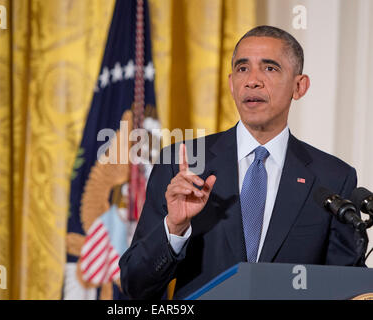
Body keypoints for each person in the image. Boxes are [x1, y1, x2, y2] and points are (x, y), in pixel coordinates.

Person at [119, 25, 365, 300]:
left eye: (269, 68)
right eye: (242, 68)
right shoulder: (182, 163)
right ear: (231, 83)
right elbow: (135, 286)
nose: (252, 81)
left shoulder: (333, 177)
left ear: (299, 86)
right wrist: (174, 229)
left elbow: (346, 287)